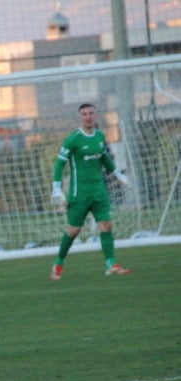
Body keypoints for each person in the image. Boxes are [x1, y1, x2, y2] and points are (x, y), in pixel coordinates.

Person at [50, 102, 132, 280]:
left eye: (91, 113)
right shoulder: (73, 139)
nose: (88, 116)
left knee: (106, 225)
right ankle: (58, 262)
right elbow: (59, 163)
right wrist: (56, 188)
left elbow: (104, 158)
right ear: (80, 117)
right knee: (73, 231)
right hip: (79, 193)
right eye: (84, 114)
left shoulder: (100, 136)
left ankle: (111, 264)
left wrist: (117, 174)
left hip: (99, 190)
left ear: (96, 116)